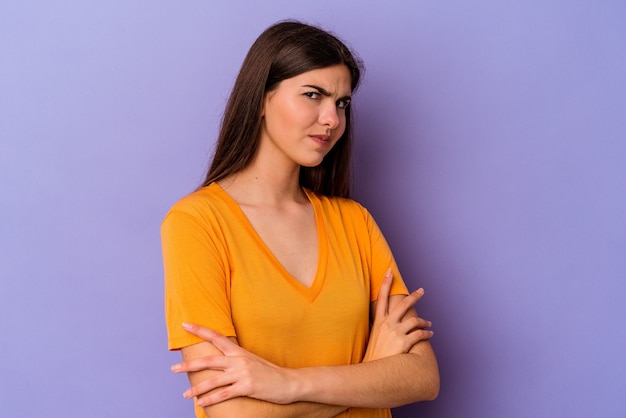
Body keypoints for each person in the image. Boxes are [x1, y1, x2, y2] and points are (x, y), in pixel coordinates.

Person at [161, 20, 439, 418]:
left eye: (341, 103)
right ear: (260, 99)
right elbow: (235, 413)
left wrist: (289, 386)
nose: (332, 119)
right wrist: (368, 376)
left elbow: (422, 377)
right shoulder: (197, 223)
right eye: (313, 95)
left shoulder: (355, 222)